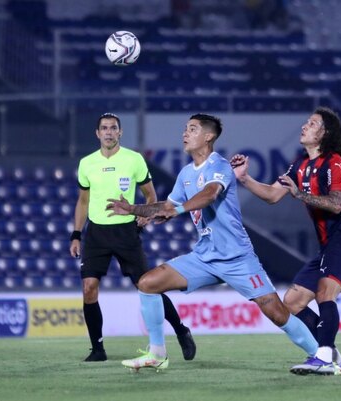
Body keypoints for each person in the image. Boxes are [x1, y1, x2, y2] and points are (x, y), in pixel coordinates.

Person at [106, 113, 318, 372]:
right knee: (148, 283)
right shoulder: (185, 173)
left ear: (208, 137)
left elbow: (209, 194)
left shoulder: (219, 166)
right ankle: (157, 353)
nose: (185, 133)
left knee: (276, 312)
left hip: (237, 258)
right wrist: (133, 209)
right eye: (185, 128)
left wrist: (178, 210)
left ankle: (320, 355)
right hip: (204, 257)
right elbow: (166, 206)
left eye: (192, 129)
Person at [230, 107, 341, 375]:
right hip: (327, 247)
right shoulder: (300, 165)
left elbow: (336, 205)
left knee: (326, 292)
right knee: (291, 303)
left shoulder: (333, 161)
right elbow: (271, 195)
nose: (304, 126)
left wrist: (300, 194)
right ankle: (333, 354)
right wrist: (244, 178)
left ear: (324, 133)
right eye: (306, 121)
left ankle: (323, 356)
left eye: (312, 123)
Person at [69, 112, 195, 362]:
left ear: (120, 132)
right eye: (104, 128)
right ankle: (98, 349)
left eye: (113, 128)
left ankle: (181, 330)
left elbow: (150, 195)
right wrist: (76, 234)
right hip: (96, 233)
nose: (108, 132)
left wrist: (146, 214)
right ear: (97, 133)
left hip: (126, 232)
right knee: (88, 288)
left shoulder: (134, 160)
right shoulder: (86, 163)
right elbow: (83, 201)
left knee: (148, 285)